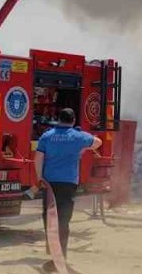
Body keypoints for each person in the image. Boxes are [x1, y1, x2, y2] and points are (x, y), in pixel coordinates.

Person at [33, 108, 102, 256]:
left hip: (50, 183)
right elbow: (98, 142)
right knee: (63, 219)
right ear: (73, 120)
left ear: (58, 119)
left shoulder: (47, 136)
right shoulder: (78, 136)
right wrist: (83, 148)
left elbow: (38, 158)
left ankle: (51, 248)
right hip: (68, 183)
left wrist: (39, 177)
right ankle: (61, 253)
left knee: (49, 216)